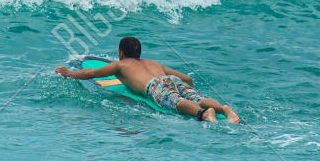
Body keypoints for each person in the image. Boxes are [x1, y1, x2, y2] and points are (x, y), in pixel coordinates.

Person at [56, 35, 240, 123]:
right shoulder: (152, 62)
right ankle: (225, 109)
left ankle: (204, 114)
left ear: (121, 52)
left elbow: (91, 73)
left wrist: (68, 73)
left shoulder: (120, 65)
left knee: (176, 101)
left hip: (155, 86)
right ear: (139, 52)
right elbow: (186, 79)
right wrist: (184, 87)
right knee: (196, 98)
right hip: (170, 79)